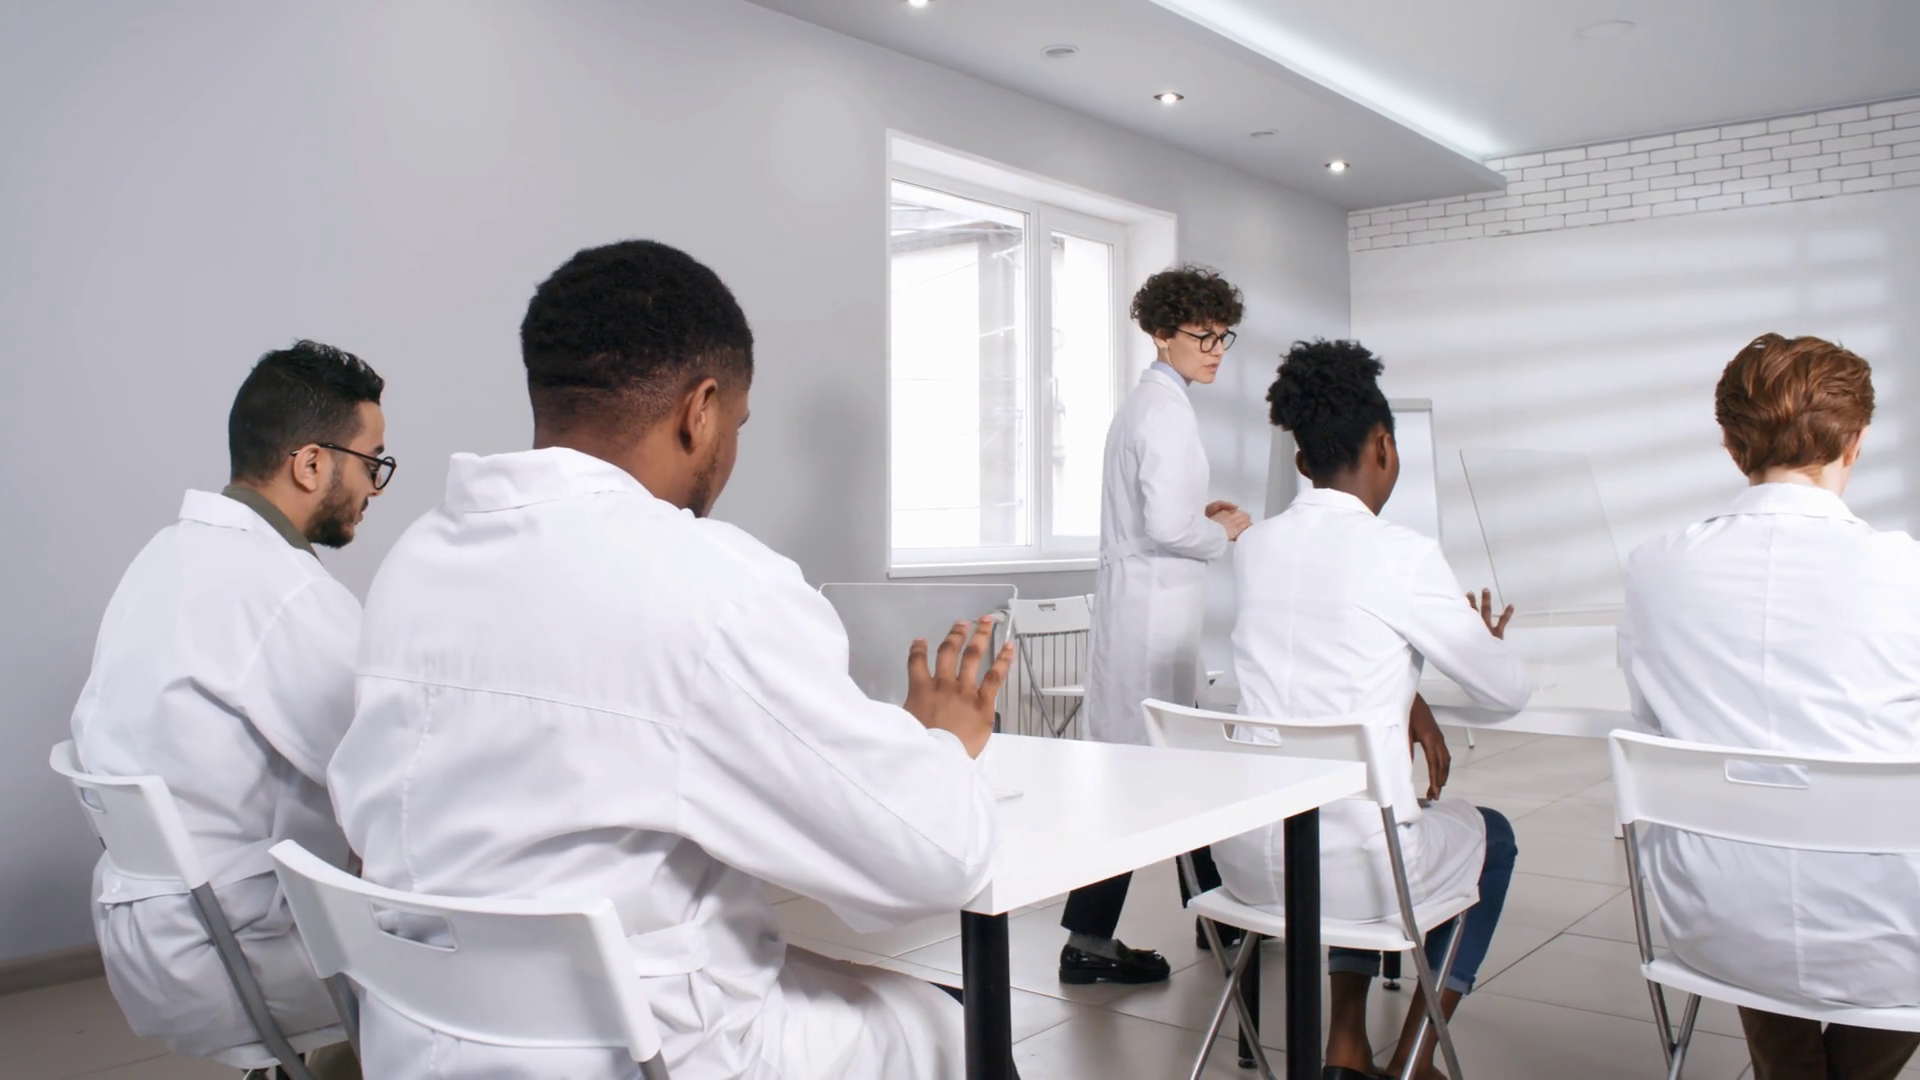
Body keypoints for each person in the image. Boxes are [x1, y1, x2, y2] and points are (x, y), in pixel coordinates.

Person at [327, 240, 1015, 1079]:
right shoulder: (714, 588)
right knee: (950, 1025)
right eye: (738, 426)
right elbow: (934, 861)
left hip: (420, 1040)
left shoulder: (417, 562)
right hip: (640, 1055)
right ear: (702, 411)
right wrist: (938, 742)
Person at [71, 341, 391, 1078]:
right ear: (312, 464)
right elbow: (390, 772)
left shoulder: (164, 556)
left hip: (149, 936)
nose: (374, 487)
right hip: (239, 954)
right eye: (371, 462)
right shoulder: (281, 591)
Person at [1210, 339, 1528, 1080]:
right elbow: (1506, 691)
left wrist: (1407, 696)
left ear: (1301, 462)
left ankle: (1346, 1043)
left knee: (1343, 807)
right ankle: (1414, 1059)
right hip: (1359, 872)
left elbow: (1327, 655)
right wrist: (1481, 641)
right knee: (1493, 837)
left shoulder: (1255, 549)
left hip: (1245, 865)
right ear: (1384, 446)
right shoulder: (1403, 554)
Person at [1620, 333, 1920, 1080]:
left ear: (1731, 445)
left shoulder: (1655, 567)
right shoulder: (1906, 571)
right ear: (1855, 441)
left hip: (1709, 925)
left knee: (1755, 855)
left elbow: (1658, 722)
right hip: (1891, 940)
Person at [1058, 265, 1254, 986]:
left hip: (1143, 607)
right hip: (1149, 615)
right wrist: (1223, 532)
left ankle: (1214, 916)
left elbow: (1158, 519)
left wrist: (1198, 523)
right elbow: (1169, 526)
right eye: (1203, 336)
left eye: (1223, 336)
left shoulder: (1149, 405)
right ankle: (1102, 938)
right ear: (1163, 333)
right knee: (1148, 773)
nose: (1216, 350)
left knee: (1163, 767)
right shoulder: (1164, 412)